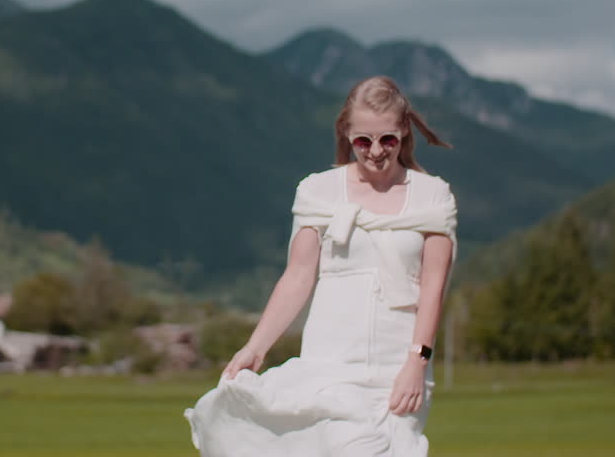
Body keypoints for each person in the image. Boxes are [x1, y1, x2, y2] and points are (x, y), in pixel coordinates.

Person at [185, 76, 457, 456]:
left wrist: (417, 361)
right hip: (331, 357)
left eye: (388, 140)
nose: (376, 151)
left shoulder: (433, 196)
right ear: (346, 133)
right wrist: (256, 347)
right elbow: (298, 276)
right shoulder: (318, 191)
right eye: (363, 141)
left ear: (404, 132)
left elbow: (432, 289)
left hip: (399, 361)